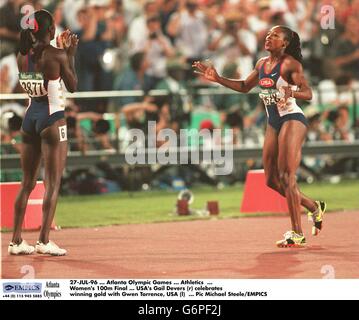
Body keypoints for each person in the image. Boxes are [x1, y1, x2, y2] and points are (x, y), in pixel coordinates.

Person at [193, 25, 327, 248]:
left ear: (284, 43)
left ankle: (297, 233)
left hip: (292, 118)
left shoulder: (290, 64)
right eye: (268, 34)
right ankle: (313, 206)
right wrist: (218, 78)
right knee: (271, 181)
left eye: (275, 35)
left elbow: (309, 93)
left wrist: (291, 92)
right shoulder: (261, 64)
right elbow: (246, 86)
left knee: (287, 176)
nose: (269, 37)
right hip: (273, 121)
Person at [8, 9, 78, 256]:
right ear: (51, 30)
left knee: (26, 183)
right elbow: (73, 86)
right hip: (52, 120)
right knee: (52, 182)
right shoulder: (56, 55)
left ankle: (15, 241)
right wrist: (70, 55)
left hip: (30, 120)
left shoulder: (21, 55)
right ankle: (44, 240)